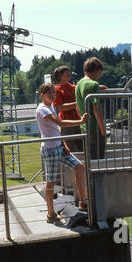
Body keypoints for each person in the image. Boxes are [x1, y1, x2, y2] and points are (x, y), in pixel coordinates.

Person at [36, 83, 89, 223]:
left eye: (53, 92)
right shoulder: (42, 109)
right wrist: (80, 121)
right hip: (50, 149)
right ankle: (50, 214)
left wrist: (63, 143)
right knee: (51, 181)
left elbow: (55, 130)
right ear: (42, 95)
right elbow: (61, 123)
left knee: (79, 167)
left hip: (58, 146)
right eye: (49, 93)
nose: (52, 95)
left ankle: (84, 202)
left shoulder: (50, 106)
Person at [74, 57, 109, 160]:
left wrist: (98, 87)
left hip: (84, 127)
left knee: (89, 159)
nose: (99, 75)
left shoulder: (79, 84)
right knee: (98, 159)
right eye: (100, 72)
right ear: (97, 70)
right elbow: (96, 109)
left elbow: (77, 107)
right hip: (95, 129)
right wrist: (103, 130)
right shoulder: (93, 85)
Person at [51, 66, 83, 156]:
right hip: (67, 123)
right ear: (59, 76)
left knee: (81, 147)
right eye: (66, 73)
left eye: (69, 73)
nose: (69, 75)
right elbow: (59, 107)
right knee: (69, 148)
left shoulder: (71, 86)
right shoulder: (57, 89)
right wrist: (77, 103)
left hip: (78, 121)